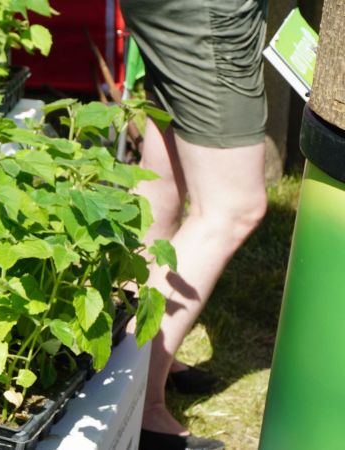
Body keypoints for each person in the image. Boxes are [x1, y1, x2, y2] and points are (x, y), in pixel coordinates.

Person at [118, 0, 268, 449]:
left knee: (164, 176)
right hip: (207, 9)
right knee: (232, 207)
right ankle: (134, 400)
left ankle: (136, 357)